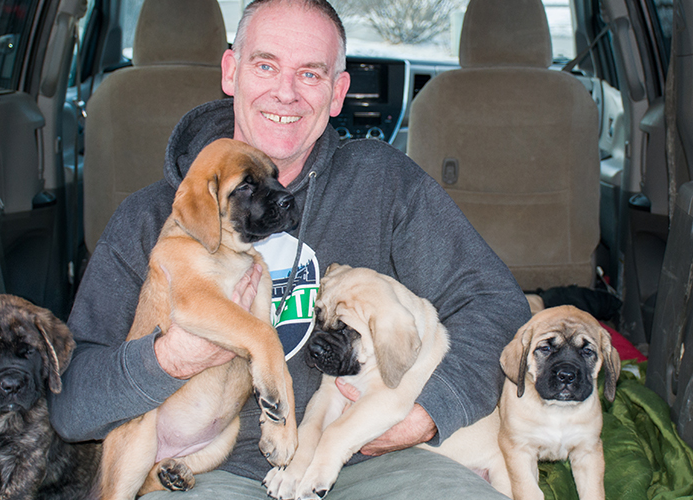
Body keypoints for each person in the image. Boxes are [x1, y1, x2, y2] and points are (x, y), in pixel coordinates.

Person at [49, 0, 532, 498]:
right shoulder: (153, 220)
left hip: (369, 461)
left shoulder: (384, 183)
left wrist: (427, 413)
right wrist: (170, 358)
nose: (286, 92)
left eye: (310, 74)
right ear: (230, 72)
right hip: (207, 472)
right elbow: (71, 404)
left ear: (338, 92)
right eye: (265, 65)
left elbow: (497, 307)